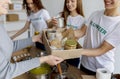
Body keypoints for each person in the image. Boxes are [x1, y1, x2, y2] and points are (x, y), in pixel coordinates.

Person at [0, 0, 63, 79]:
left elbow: (49, 24)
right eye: (28, 3)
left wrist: (53, 23)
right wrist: (13, 36)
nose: (9, 2)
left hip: (42, 40)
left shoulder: (43, 12)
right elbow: (24, 28)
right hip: (38, 41)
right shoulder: (31, 15)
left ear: (37, 2)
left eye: (31, 3)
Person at [73, 0, 120, 75]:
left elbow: (100, 50)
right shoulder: (96, 14)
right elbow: (81, 32)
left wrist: (76, 52)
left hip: (102, 71)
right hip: (85, 65)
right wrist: (64, 32)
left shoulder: (118, 24)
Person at [50, 0, 85, 68]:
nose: (69, 4)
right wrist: (51, 23)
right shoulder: (61, 15)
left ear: (78, 2)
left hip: (72, 53)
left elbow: (77, 37)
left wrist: (65, 33)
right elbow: (51, 28)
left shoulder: (82, 20)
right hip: (59, 51)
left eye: (72, 1)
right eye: (67, 2)